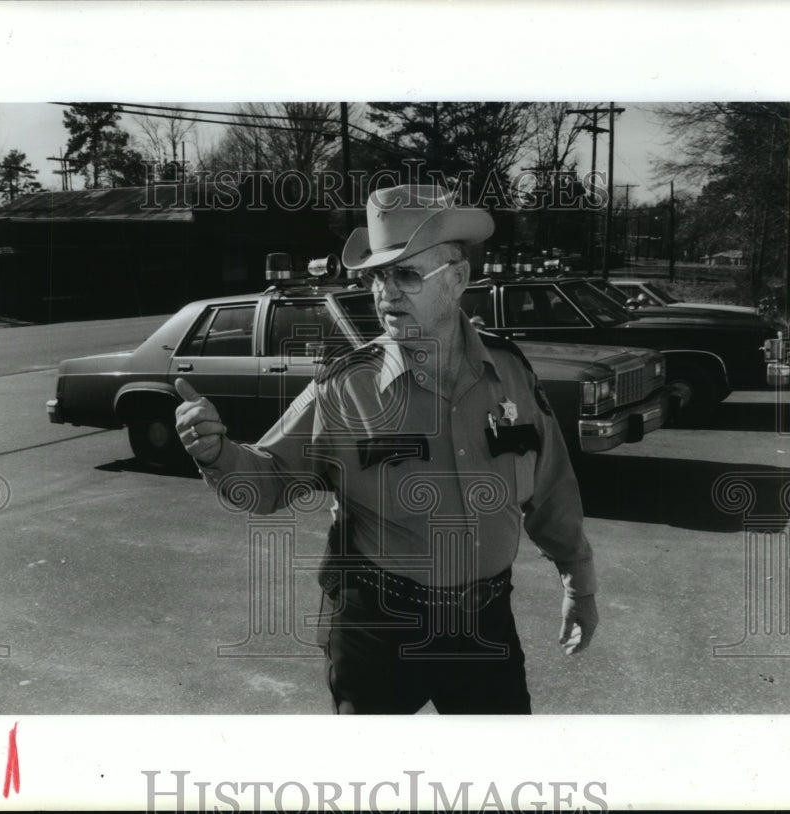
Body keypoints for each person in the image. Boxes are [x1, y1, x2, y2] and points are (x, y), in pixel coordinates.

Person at [174, 184, 598, 714]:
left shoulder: (509, 372)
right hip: (378, 627)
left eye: (406, 275)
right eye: (377, 276)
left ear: (459, 278)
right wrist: (216, 453)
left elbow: (552, 487)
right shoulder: (347, 383)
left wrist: (578, 585)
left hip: (483, 624)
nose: (385, 294)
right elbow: (269, 481)